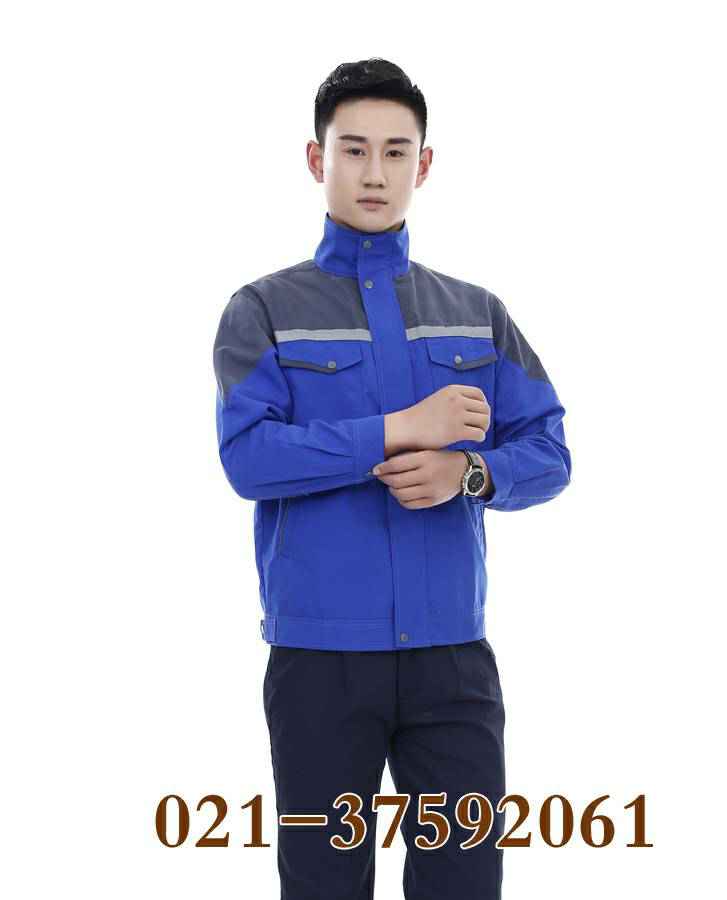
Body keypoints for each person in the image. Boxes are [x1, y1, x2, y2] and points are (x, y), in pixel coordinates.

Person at [212, 57, 571, 900]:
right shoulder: (262, 310)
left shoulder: (476, 313)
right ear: (317, 158)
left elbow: (551, 451)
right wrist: (398, 429)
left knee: (464, 884)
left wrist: (467, 471)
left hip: (453, 662)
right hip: (319, 662)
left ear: (425, 164)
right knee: (324, 886)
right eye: (354, 149)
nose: (375, 173)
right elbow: (248, 458)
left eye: (396, 152)